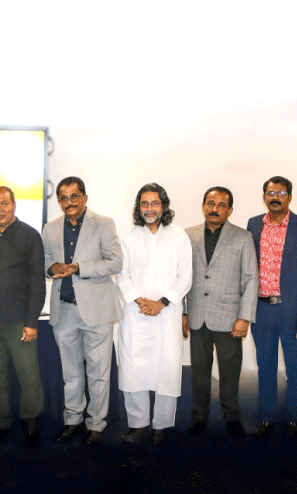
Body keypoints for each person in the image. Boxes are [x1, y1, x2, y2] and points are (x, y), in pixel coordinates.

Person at [42, 176, 123, 446]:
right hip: (64, 310)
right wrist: (51, 267)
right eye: (63, 198)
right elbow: (43, 260)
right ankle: (73, 419)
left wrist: (80, 268)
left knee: (98, 373)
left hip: (97, 311)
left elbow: (116, 263)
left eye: (74, 196)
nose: (69, 202)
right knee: (71, 373)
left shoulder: (104, 223)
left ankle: (96, 423)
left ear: (85, 198)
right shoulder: (50, 228)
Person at [116, 183, 191, 445]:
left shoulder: (179, 236)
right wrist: (141, 300)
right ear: (138, 207)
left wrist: (161, 302)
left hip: (167, 313)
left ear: (163, 206)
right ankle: (138, 424)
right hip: (135, 313)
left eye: (155, 203)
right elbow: (121, 275)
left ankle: (161, 424)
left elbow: (185, 277)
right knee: (133, 369)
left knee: (166, 368)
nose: (150, 208)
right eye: (144, 203)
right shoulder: (128, 237)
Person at [246, 176, 297, 439]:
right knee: (265, 368)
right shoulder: (253, 225)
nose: (275, 197)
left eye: (280, 193)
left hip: (293, 313)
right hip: (261, 311)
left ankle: (294, 417)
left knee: (295, 369)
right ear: (264, 197)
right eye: (270, 192)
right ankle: (267, 416)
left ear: (289, 197)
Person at [0, 186, 45, 447]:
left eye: (4, 203)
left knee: (28, 375)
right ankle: (1, 422)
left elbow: (37, 283)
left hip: (19, 322)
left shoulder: (30, 236)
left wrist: (32, 322)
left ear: (14, 205)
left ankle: (31, 420)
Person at [183, 186, 258, 437]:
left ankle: (232, 416)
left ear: (230, 210)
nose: (215, 209)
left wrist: (244, 317)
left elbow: (251, 279)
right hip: (197, 315)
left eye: (221, 205)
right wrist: (183, 312)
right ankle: (198, 417)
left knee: (229, 372)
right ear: (203, 206)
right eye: (211, 203)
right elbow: (180, 277)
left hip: (229, 318)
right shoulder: (187, 235)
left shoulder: (242, 237)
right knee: (199, 373)